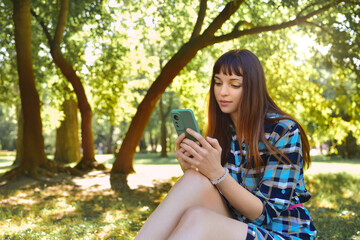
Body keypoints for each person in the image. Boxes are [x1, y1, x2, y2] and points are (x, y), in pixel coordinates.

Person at [135, 49, 316, 239]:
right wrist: (192, 167)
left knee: (199, 219)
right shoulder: (222, 132)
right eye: (218, 83)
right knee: (193, 181)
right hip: (236, 224)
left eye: (234, 84)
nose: (222, 92)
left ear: (253, 88)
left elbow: (265, 214)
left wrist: (217, 173)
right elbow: (217, 197)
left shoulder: (284, 130)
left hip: (282, 232)